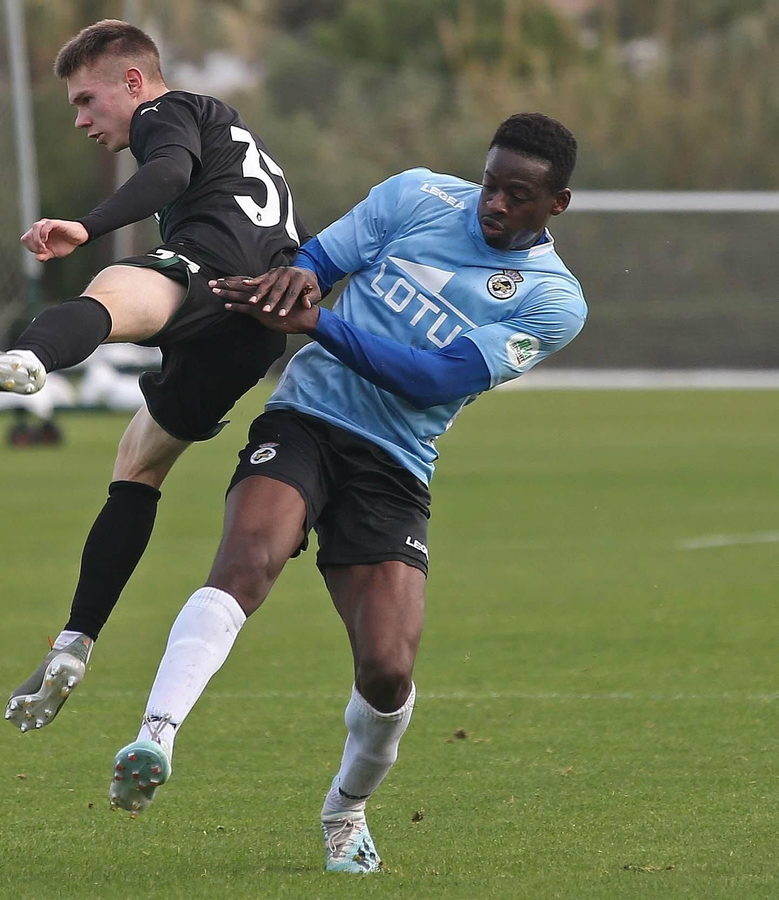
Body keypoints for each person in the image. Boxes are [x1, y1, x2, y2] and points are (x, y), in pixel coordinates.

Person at [106, 113, 585, 875]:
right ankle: (154, 736)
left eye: (517, 196)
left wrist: (320, 322)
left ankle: (344, 810)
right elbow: (316, 260)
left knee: (389, 673)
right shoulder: (417, 196)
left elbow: (434, 379)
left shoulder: (553, 302)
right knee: (247, 562)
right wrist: (292, 279)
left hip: (394, 464)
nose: (493, 204)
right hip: (305, 419)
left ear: (554, 205)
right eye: (491, 183)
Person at [0, 19, 305, 732]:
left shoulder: (169, 110)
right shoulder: (239, 141)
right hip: (257, 335)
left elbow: (170, 176)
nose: (82, 120)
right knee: (136, 469)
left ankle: (29, 360)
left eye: (87, 101)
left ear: (132, 81)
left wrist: (87, 227)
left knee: (113, 292)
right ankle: (75, 640)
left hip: (212, 276)